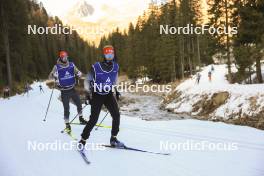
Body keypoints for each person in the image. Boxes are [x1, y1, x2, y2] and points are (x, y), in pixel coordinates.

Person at [79, 45, 122, 148]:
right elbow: (87, 80)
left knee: (116, 115)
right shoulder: (96, 67)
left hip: (108, 94)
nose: (110, 55)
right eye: (107, 53)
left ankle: (113, 139)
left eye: (111, 53)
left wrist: (116, 90)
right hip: (97, 95)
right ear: (104, 54)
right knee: (93, 119)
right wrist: (88, 94)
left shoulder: (116, 66)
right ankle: (82, 140)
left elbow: (114, 80)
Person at [49, 51, 87, 133]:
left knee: (79, 103)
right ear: (61, 58)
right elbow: (50, 76)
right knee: (67, 109)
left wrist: (80, 74)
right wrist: (54, 75)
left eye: (66, 57)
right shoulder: (56, 67)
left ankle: (81, 118)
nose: (65, 59)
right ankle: (67, 124)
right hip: (64, 91)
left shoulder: (71, 65)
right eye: (63, 57)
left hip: (72, 89)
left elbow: (78, 72)